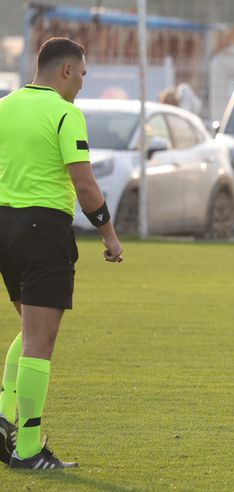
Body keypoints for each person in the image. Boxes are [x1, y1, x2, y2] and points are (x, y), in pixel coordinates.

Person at [0, 37, 124, 470]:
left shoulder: (5, 106)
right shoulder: (66, 114)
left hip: (5, 227)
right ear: (67, 70)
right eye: (84, 74)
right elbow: (85, 185)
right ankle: (28, 448)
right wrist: (109, 234)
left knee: (29, 328)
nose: (83, 85)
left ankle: (3, 419)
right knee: (41, 341)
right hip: (43, 229)